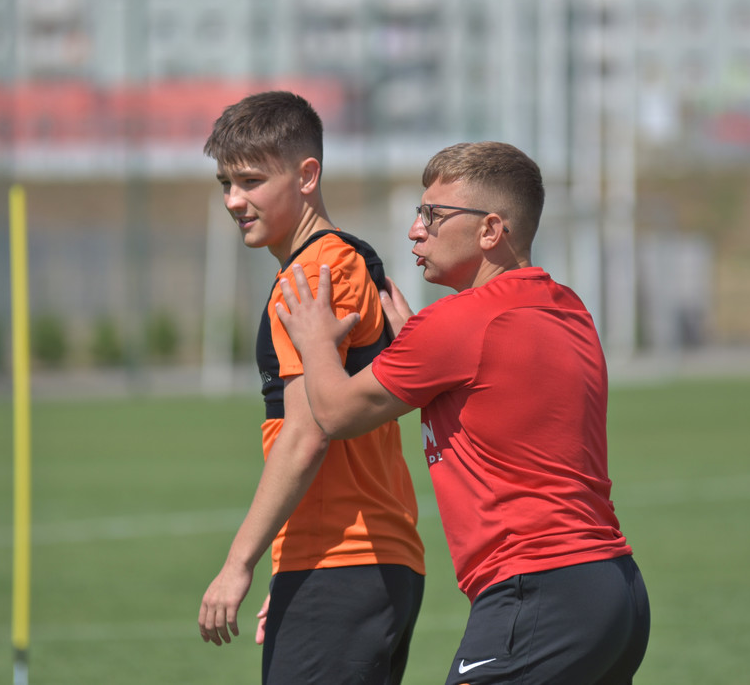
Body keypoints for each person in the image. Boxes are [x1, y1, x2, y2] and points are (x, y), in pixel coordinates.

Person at [275, 141, 651, 685]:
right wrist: (418, 347)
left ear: (491, 230)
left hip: (537, 592)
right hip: (616, 595)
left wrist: (313, 340)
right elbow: (493, 392)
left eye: (433, 214)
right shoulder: (568, 307)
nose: (414, 230)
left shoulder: (458, 322)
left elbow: (333, 413)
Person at [196, 91, 425, 685]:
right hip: (364, 561)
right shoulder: (354, 259)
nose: (233, 200)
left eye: (250, 180)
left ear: (307, 175)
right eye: (225, 182)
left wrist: (237, 565)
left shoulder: (308, 279)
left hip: (344, 559)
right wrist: (291, 569)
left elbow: (306, 434)